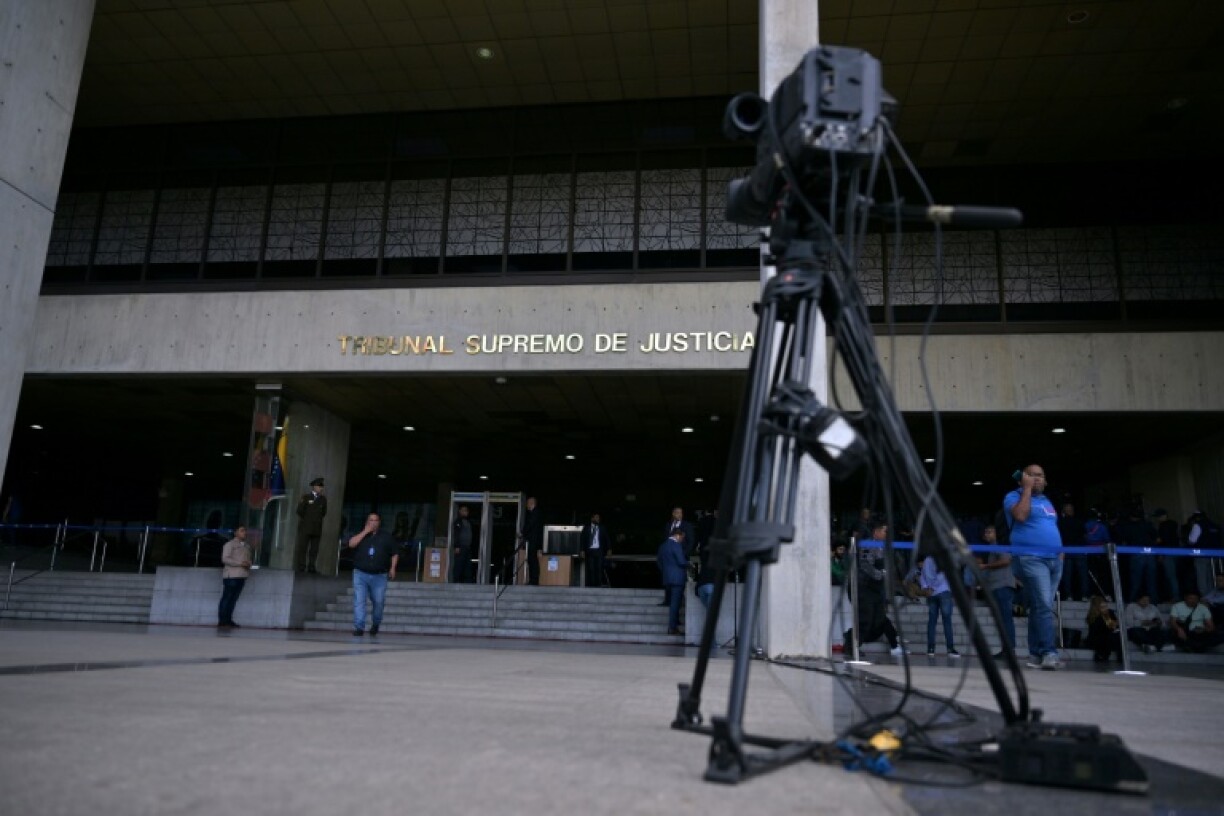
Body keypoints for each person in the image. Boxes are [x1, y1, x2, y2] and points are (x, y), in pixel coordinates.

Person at [1006, 464, 1064, 670]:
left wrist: (1061, 551)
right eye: (1031, 475)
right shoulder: (1014, 497)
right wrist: (1027, 489)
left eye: (1040, 476)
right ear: (1022, 479)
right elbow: (1020, 516)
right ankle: (1049, 651)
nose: (1036, 479)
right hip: (1031, 558)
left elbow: (1050, 526)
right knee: (1044, 606)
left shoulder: (1047, 501)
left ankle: (1035, 653)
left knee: (1041, 606)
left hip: (1054, 559)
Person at [843, 520, 905, 657]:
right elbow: (866, 565)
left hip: (875, 590)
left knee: (878, 620)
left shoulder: (882, 547)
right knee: (866, 619)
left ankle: (850, 638)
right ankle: (851, 646)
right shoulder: (868, 545)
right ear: (876, 532)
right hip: (863, 588)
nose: (886, 534)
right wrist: (880, 574)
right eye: (884, 531)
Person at [343, 512, 399, 636]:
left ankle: (376, 623)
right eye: (371, 520)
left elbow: (395, 553)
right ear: (367, 522)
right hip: (360, 574)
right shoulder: (360, 534)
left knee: (378, 602)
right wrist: (364, 532)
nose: (373, 523)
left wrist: (393, 568)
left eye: (376, 520)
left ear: (379, 522)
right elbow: (351, 544)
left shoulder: (386, 537)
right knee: (359, 601)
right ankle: (359, 627)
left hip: (379, 576)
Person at [976, 524, 1016, 658]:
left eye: (990, 532)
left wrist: (985, 566)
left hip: (1002, 587)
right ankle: (1006, 650)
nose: (987, 534)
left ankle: (1009, 650)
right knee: (1002, 620)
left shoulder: (998, 546)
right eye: (986, 532)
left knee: (1005, 620)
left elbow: (1006, 561)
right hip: (997, 587)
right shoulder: (992, 548)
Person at [919, 555, 959, 657]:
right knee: (947, 621)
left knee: (932, 621)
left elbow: (922, 575)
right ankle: (950, 649)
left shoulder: (927, 559)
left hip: (931, 594)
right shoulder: (942, 558)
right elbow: (942, 575)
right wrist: (932, 587)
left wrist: (926, 588)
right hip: (943, 591)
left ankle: (931, 649)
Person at [1116, 505, 1157, 602]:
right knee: (1151, 580)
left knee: (1136, 580)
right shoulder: (1148, 524)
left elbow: (1124, 539)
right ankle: (1154, 601)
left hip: (1136, 552)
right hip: (1150, 552)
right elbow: (1156, 538)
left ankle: (1132, 600)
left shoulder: (1128, 526)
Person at [218, 525, 252, 628]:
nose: (244, 533)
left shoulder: (247, 546)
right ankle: (222, 621)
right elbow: (225, 559)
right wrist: (240, 563)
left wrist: (248, 563)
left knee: (233, 599)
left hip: (242, 575)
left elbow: (248, 559)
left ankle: (228, 620)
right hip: (231, 575)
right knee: (227, 598)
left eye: (245, 531)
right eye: (242, 531)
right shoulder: (230, 544)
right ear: (235, 532)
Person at [657, 527, 688, 635]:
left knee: (672, 603)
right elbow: (681, 561)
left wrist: (666, 572)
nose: (682, 540)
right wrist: (688, 564)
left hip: (667, 578)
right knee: (675, 604)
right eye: (682, 537)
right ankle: (672, 627)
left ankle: (674, 624)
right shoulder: (676, 545)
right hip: (677, 578)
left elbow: (659, 562)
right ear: (678, 535)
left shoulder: (663, 546)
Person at [1186, 511, 1221, 601]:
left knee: (1202, 578)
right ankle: (1214, 597)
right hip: (1215, 555)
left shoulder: (1198, 525)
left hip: (1201, 554)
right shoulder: (1215, 525)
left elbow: (1192, 540)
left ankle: (1206, 599)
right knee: (1212, 577)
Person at [1058, 502, 1089, 602]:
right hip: (1079, 550)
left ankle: (1068, 595)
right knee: (1082, 574)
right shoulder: (1079, 522)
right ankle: (1084, 595)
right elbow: (1085, 536)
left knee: (1067, 575)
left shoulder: (1059, 522)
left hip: (1066, 550)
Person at [295, 477, 327, 573]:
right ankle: (302, 565)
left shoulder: (323, 499)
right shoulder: (306, 497)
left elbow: (324, 512)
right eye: (319, 486)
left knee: (314, 549)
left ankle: (312, 566)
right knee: (303, 547)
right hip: (306, 527)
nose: (321, 488)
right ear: (314, 487)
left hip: (317, 528)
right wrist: (307, 519)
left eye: (322, 486)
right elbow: (299, 511)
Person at [1151, 508, 1181, 603]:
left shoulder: (1163, 526)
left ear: (1163, 516)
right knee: (1174, 576)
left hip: (1167, 552)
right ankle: (1175, 596)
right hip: (1176, 551)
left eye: (1158, 517)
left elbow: (1161, 541)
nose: (1157, 519)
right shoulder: (1174, 524)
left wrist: (1160, 553)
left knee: (1170, 576)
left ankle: (1175, 597)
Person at [1085, 595, 1122, 662]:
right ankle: (1101, 655)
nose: (1105, 609)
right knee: (1107, 637)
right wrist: (1106, 618)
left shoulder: (1110, 612)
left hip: (1109, 635)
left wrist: (1112, 622)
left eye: (1106, 606)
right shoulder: (1093, 616)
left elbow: (1115, 625)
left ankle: (1121, 658)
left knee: (1116, 636)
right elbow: (1098, 629)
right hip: (1097, 637)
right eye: (1102, 607)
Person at [518, 496, 543, 586]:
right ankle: (533, 579)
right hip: (534, 541)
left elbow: (529, 525)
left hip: (533, 541)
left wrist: (522, 533)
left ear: (532, 503)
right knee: (532, 560)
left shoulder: (535, 513)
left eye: (528, 503)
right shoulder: (536, 513)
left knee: (532, 560)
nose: (526, 506)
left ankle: (534, 580)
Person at [580, 512, 608, 588]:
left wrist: (609, 549)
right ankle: (591, 586)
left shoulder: (602, 528)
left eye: (598, 518)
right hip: (590, 551)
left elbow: (606, 539)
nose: (598, 519)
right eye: (596, 517)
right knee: (591, 568)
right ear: (592, 518)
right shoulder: (587, 528)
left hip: (599, 551)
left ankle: (598, 585)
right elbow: (582, 539)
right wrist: (582, 550)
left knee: (599, 568)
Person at [451, 505, 474, 583]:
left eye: (466, 510)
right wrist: (457, 546)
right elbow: (456, 534)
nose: (465, 512)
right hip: (461, 546)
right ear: (459, 511)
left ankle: (467, 581)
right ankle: (456, 581)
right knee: (459, 565)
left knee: (467, 566)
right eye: (463, 510)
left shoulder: (468, 522)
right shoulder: (458, 521)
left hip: (467, 547)